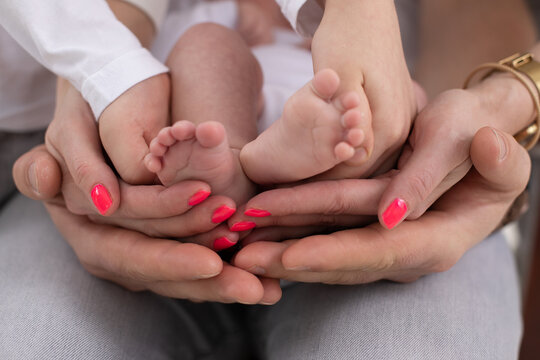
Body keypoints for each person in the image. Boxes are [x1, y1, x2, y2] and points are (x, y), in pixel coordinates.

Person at [1, 1, 536, 359]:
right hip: (207, 123)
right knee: (209, 46)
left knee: (408, 106)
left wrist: (489, 108)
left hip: (332, 138)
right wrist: (97, 70)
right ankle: (244, 161)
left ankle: (277, 158)